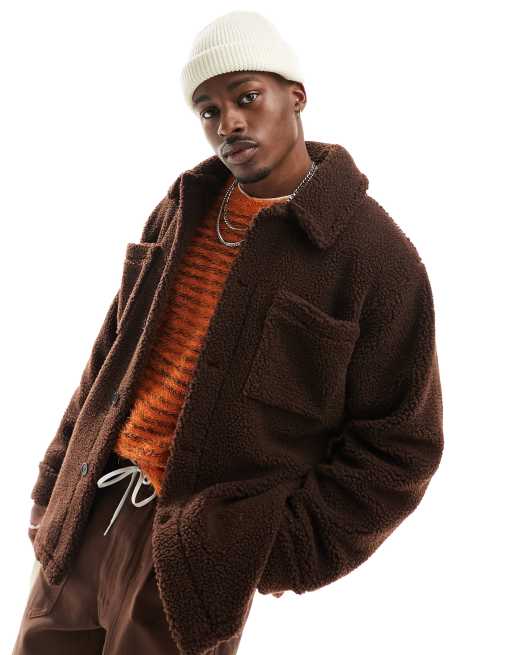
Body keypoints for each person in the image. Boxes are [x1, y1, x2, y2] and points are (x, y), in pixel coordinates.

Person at [13, 9, 444, 655]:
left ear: (295, 96)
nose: (229, 123)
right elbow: (112, 353)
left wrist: (271, 550)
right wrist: (53, 487)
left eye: (247, 97)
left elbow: (400, 446)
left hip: (192, 552)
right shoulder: (183, 206)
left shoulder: (373, 257)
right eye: (209, 110)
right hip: (86, 512)